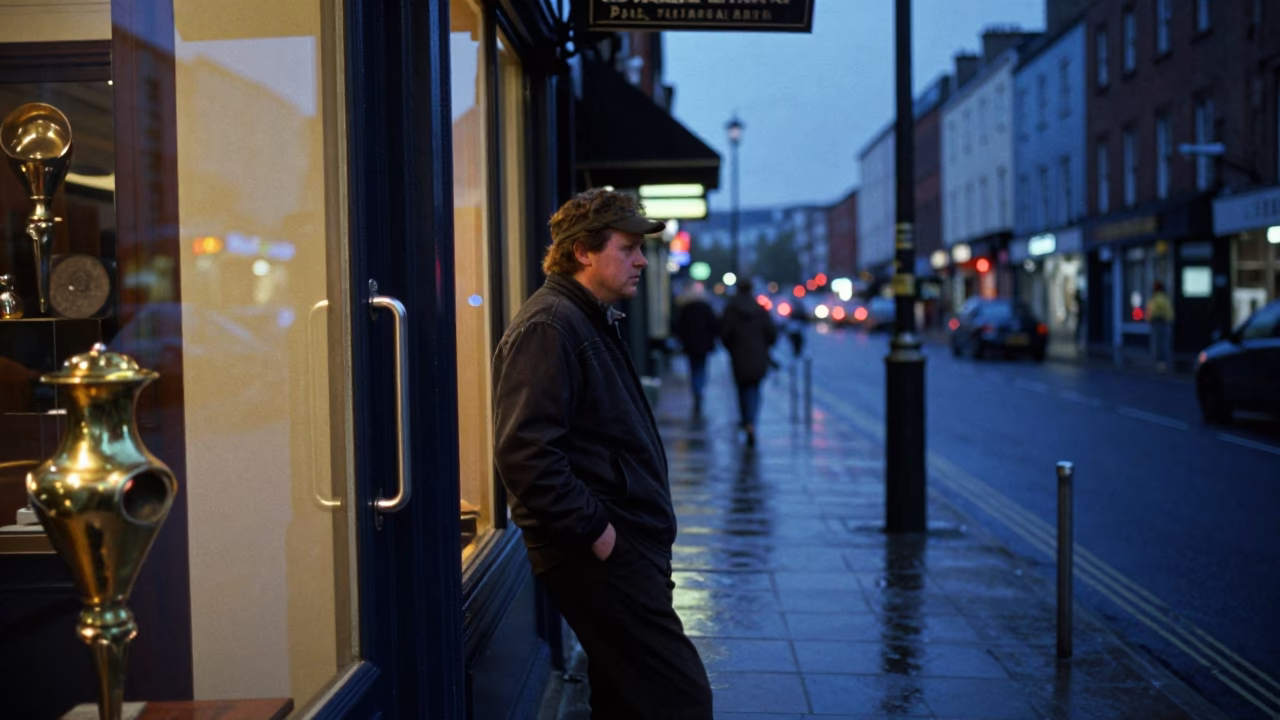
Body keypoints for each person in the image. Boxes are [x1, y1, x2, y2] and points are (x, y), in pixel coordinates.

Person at [492, 188, 713, 720]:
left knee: (626, 696)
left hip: (622, 545)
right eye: (628, 246)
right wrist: (603, 537)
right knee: (680, 699)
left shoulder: (588, 316)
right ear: (583, 252)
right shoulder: (550, 326)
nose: (640, 259)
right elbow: (525, 454)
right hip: (601, 552)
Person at [720, 278, 778, 447]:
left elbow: (725, 333)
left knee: (742, 390)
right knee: (754, 389)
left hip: (739, 356)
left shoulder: (731, 309)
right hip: (758, 356)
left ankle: (746, 421)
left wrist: (732, 347)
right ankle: (751, 422)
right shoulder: (760, 310)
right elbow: (771, 334)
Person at [672, 282, 719, 416]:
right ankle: (699, 390)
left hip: (690, 345)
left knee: (693, 368)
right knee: (701, 367)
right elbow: (714, 325)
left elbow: (679, 326)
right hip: (703, 345)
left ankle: (696, 390)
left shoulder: (686, 309)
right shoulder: (706, 308)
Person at [1146, 280, 1174, 371]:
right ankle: (1164, 362)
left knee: (1158, 344)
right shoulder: (1165, 298)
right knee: (1164, 343)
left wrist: (1150, 319)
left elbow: (1152, 311)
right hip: (1165, 323)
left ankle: (1160, 363)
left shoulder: (1156, 298)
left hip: (1159, 323)